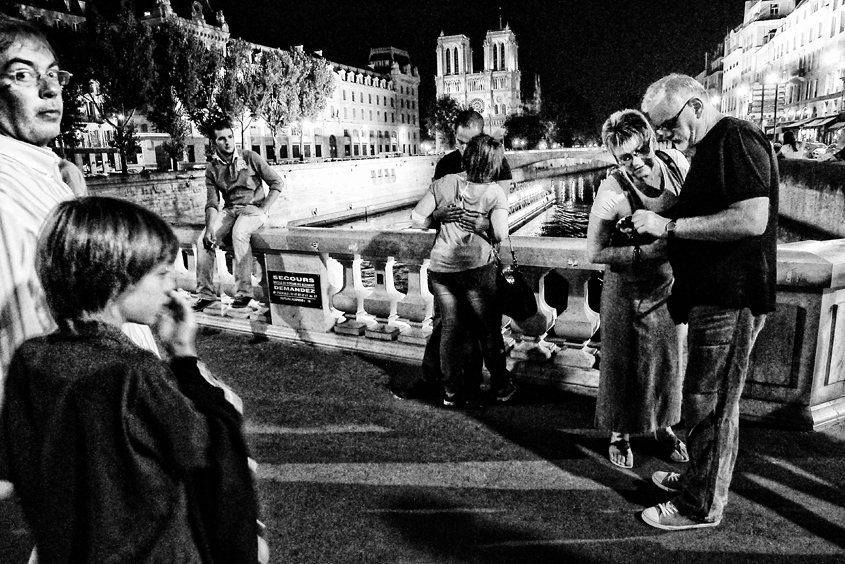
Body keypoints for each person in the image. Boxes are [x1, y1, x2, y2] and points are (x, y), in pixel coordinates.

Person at [0, 197, 262, 563]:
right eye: (160, 273)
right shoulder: (134, 372)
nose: (172, 285)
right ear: (117, 281)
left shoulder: (31, 359)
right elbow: (206, 450)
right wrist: (185, 359)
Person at [0, 16, 158, 501]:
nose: (51, 91)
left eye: (55, 74)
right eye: (24, 74)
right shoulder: (6, 195)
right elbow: (32, 344)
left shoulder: (50, 176)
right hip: (96, 442)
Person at [634, 74, 777, 530]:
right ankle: (699, 480)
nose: (665, 136)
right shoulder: (712, 146)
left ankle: (700, 505)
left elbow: (752, 218)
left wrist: (670, 229)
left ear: (695, 105)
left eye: (667, 124)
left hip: (730, 298)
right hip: (714, 297)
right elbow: (706, 211)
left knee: (709, 406)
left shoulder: (735, 135)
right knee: (703, 402)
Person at [587, 109, 689, 469]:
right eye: (625, 157)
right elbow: (595, 251)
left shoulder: (676, 164)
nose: (637, 162)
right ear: (615, 158)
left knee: (667, 363)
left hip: (669, 288)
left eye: (641, 150)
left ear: (654, 140)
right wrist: (646, 250)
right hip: (627, 290)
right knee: (625, 365)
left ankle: (661, 427)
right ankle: (620, 433)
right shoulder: (613, 189)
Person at [396, 110, 511, 401]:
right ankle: (493, 385)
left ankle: (454, 388)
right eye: (459, 141)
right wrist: (441, 216)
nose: (463, 149)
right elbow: (501, 229)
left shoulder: (448, 178)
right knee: (482, 329)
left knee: (451, 329)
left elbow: (417, 216)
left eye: (469, 143)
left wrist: (439, 215)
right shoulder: (450, 166)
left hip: (443, 264)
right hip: (475, 264)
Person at [192, 119, 284, 311]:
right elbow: (212, 203)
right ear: (214, 143)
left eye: (230, 137)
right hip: (230, 209)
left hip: (253, 209)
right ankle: (205, 294)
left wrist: (262, 209)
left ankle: (244, 292)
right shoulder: (212, 169)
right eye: (222, 139)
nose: (228, 142)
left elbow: (277, 183)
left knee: (239, 233)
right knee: (203, 241)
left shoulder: (250, 157)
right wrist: (210, 228)